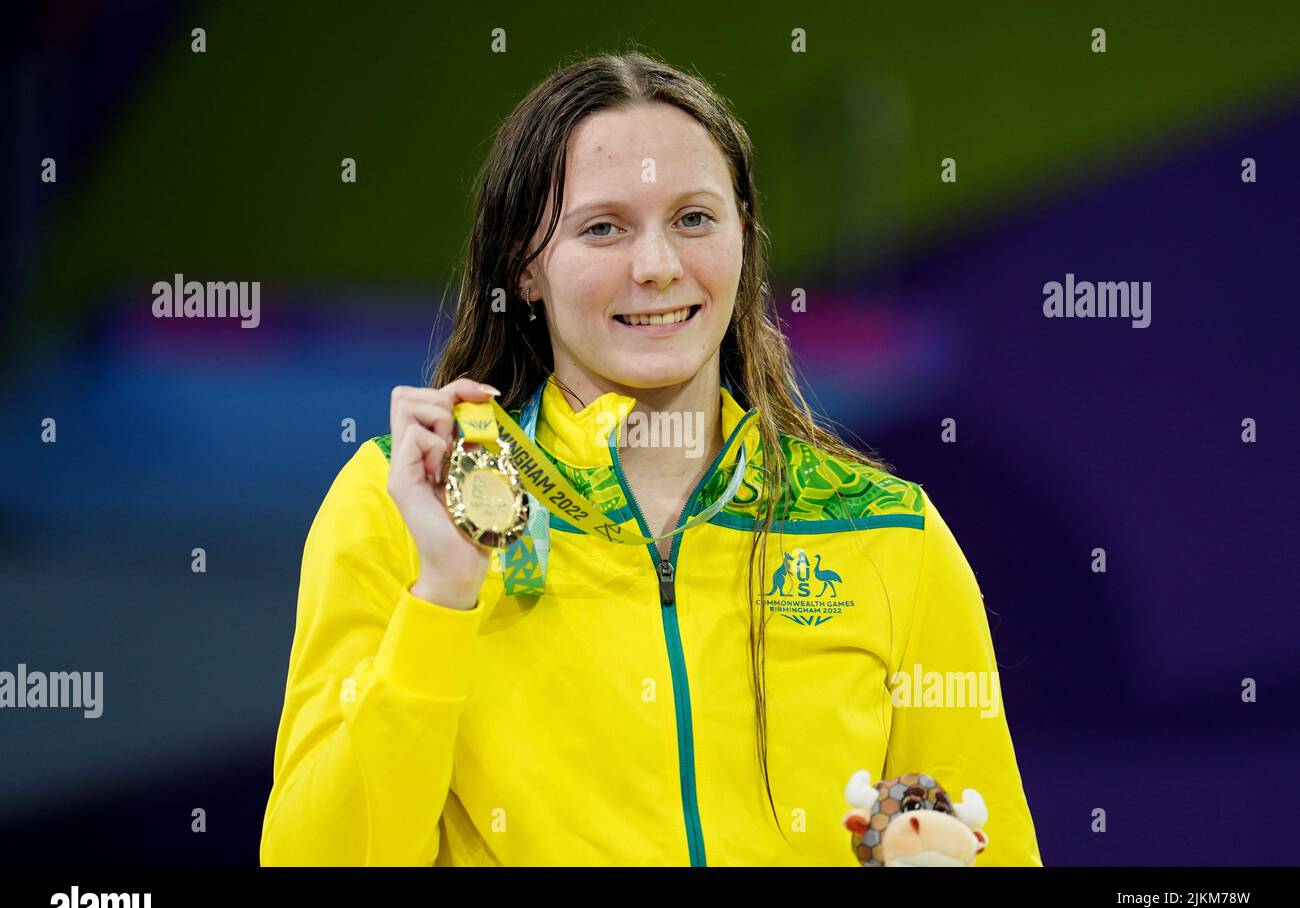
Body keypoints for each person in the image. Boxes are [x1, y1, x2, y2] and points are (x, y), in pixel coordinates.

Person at [259, 50, 1043, 866]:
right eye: (604, 228)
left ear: (745, 237)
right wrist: (444, 597)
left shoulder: (888, 533)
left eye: (694, 218)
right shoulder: (402, 505)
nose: (658, 266)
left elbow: (985, 847)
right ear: (526, 269)